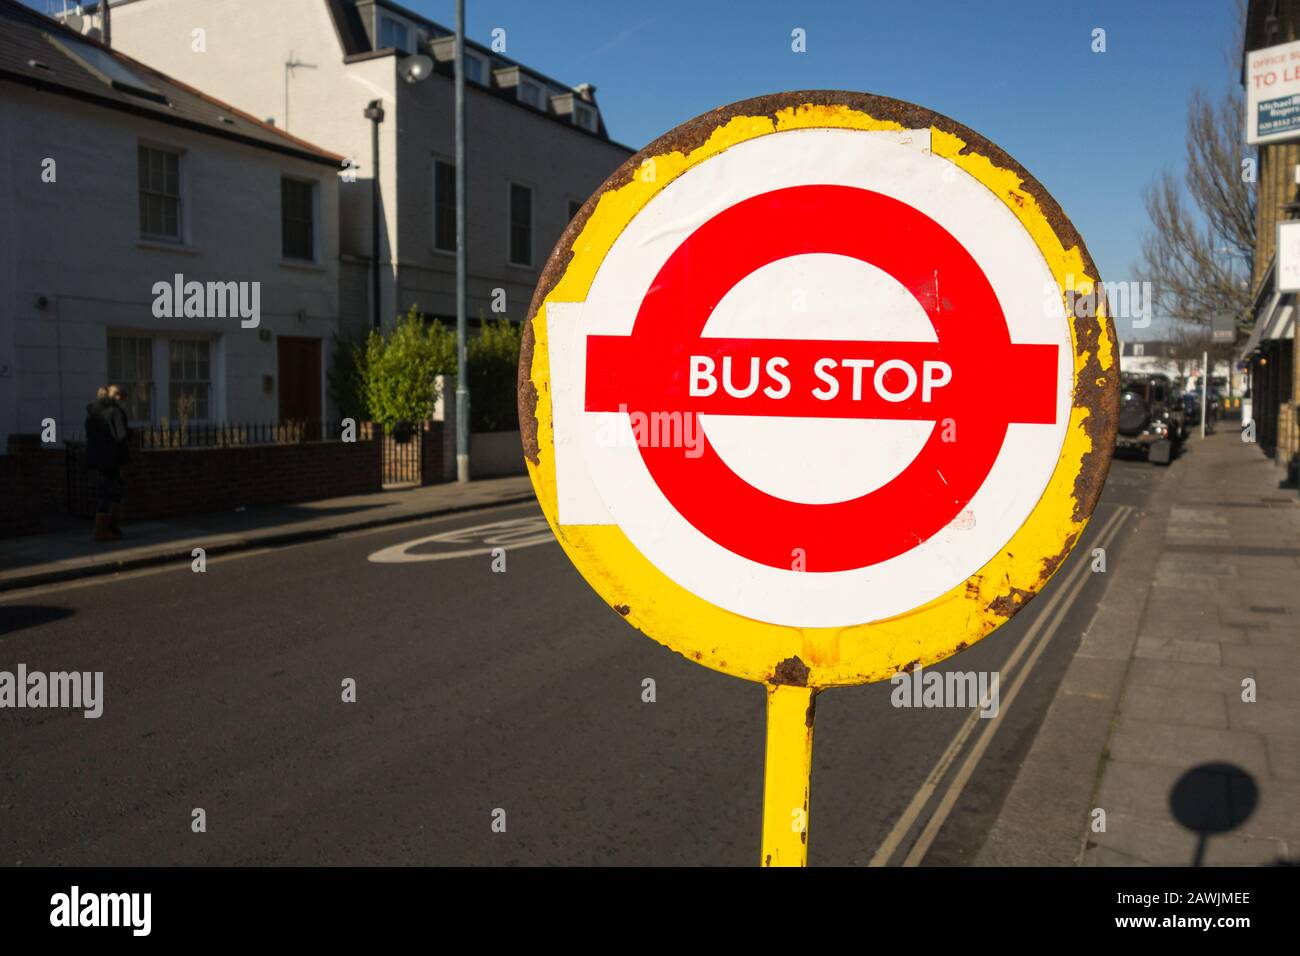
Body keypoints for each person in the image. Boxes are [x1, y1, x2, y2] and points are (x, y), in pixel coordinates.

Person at [85, 384, 130, 541]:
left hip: (96, 458)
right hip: (112, 459)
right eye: (122, 397)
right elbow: (121, 435)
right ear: (116, 397)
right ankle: (106, 529)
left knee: (105, 491)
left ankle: (104, 528)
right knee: (113, 492)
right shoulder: (114, 411)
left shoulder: (92, 413)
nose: (123, 400)